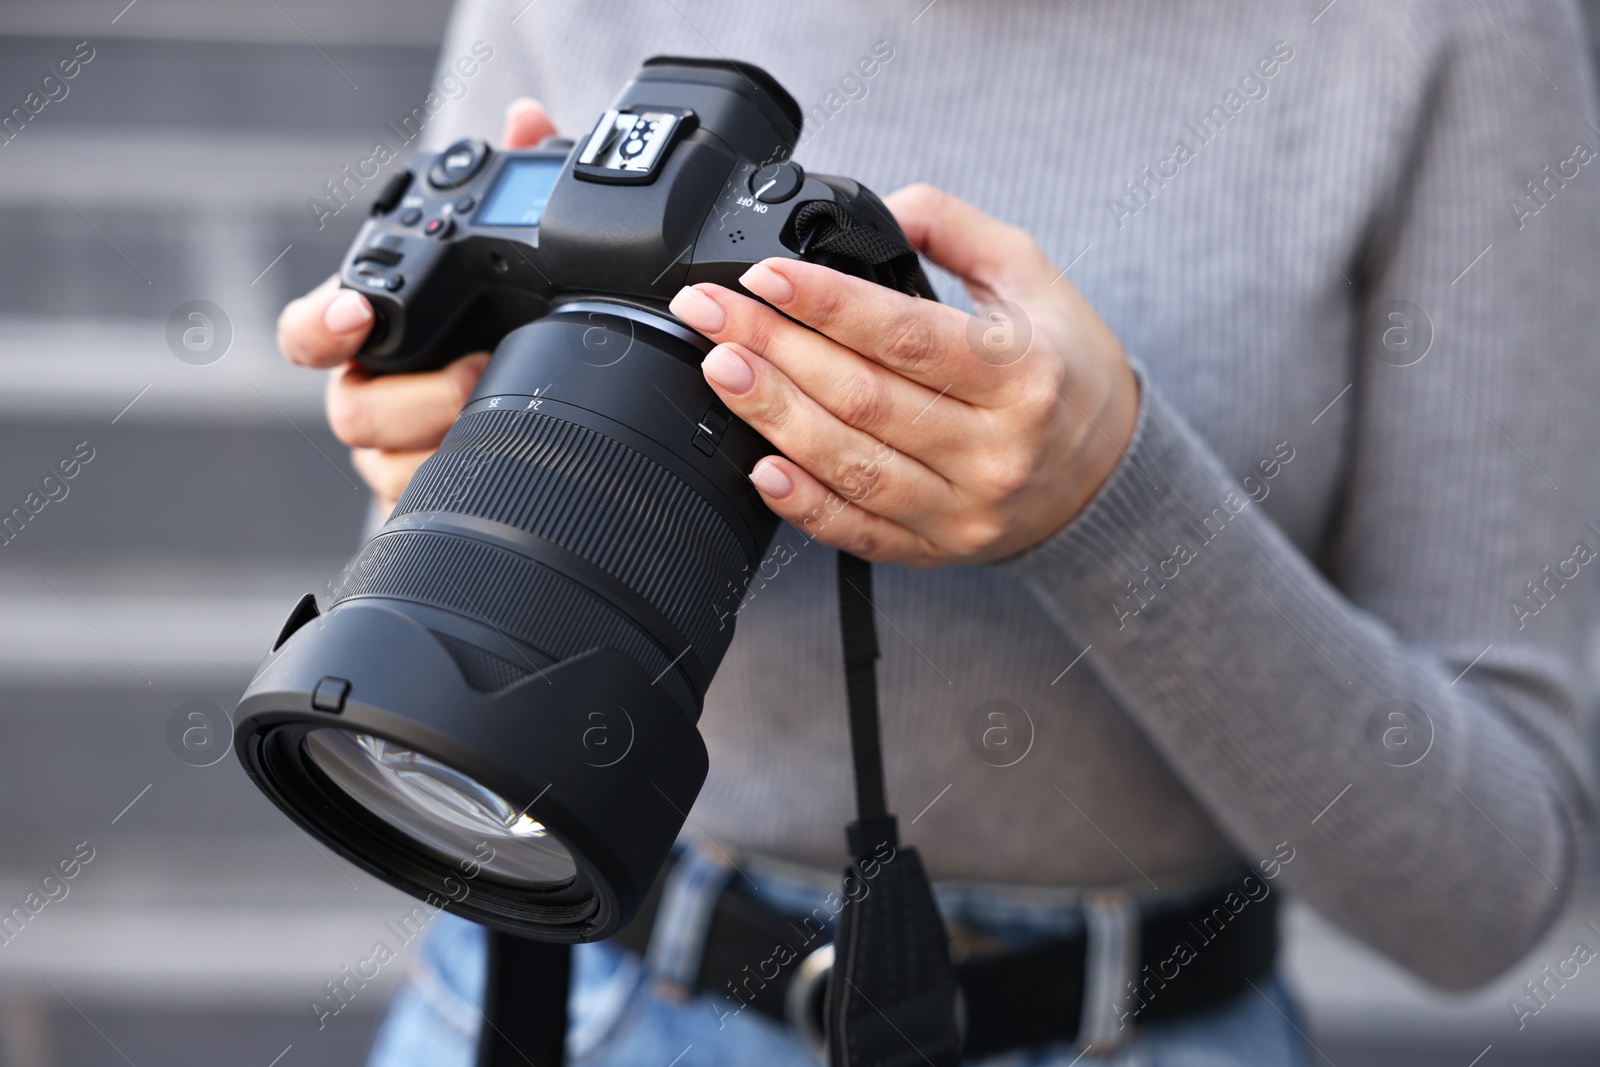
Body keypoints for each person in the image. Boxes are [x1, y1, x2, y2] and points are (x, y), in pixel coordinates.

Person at [277, 2, 1600, 1064]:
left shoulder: (1447, 29)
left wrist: (1109, 497)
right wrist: (432, 448)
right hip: (550, 986)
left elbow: (1487, 890)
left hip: (1137, 1022)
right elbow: (434, 603)